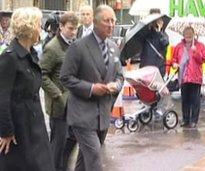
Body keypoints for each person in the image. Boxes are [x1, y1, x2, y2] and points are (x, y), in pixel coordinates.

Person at [60, 5, 123, 171]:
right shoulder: (78, 47)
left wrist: (116, 85)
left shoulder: (114, 48)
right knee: (94, 157)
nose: (111, 24)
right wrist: (91, 88)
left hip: (102, 114)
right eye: (106, 21)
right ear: (95, 22)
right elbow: (65, 77)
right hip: (82, 114)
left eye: (113, 21)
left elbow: (120, 76)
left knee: (84, 159)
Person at [0, 7, 55, 171]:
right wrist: (6, 132)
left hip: (35, 126)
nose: (41, 29)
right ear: (30, 28)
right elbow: (2, 98)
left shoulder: (30, 54)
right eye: (39, 25)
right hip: (19, 131)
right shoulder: (10, 57)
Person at [40, 12, 78, 171]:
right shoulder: (52, 47)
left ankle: (63, 167)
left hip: (74, 104)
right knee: (58, 144)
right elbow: (41, 75)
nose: (73, 32)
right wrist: (58, 94)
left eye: (76, 29)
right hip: (59, 106)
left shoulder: (74, 44)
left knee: (73, 139)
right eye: (70, 28)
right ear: (61, 27)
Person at [172, 26, 205, 128]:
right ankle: (185, 119)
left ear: (193, 35)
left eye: (190, 36)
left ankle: (194, 120)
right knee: (185, 100)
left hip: (195, 77)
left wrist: (196, 52)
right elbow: (174, 59)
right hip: (183, 77)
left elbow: (204, 59)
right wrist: (174, 64)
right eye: (186, 36)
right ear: (183, 36)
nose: (188, 37)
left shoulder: (200, 46)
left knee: (195, 100)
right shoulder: (179, 46)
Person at [139, 9, 169, 77]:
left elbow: (165, 43)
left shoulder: (163, 34)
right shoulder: (145, 34)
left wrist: (159, 30)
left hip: (158, 70)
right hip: (145, 69)